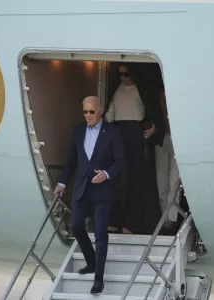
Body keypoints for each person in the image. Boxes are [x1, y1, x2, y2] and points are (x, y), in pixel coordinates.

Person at [54, 96, 126, 294]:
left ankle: (98, 279)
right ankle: (91, 261)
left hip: (103, 191)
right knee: (76, 226)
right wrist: (62, 182)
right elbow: (72, 159)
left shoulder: (112, 132)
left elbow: (121, 161)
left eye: (91, 112)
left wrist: (106, 173)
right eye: (85, 112)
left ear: (100, 111)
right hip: (81, 187)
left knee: (101, 234)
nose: (88, 116)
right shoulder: (78, 130)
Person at [104, 63, 163, 234]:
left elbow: (153, 112)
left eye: (126, 74)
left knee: (134, 179)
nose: (123, 78)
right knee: (117, 177)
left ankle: (132, 223)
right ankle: (115, 220)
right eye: (120, 75)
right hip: (118, 132)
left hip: (135, 133)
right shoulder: (116, 90)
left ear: (133, 74)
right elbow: (110, 114)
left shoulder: (141, 90)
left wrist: (153, 129)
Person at [154, 86, 180, 234]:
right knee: (161, 182)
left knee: (174, 181)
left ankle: (173, 220)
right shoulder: (155, 96)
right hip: (161, 139)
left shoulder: (180, 94)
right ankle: (166, 220)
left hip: (177, 140)